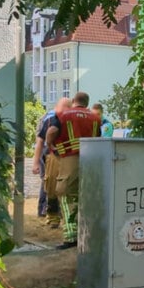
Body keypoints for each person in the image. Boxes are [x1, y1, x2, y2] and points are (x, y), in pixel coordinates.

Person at [46, 91, 101, 249]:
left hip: (70, 159)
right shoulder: (96, 118)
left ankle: (70, 237)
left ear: (73, 101)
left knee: (65, 194)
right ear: (87, 103)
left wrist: (50, 145)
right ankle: (86, 234)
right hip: (91, 161)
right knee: (85, 196)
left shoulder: (64, 115)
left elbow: (52, 131)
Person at [32, 97, 71, 226]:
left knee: (50, 185)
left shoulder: (52, 118)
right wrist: (36, 162)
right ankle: (47, 212)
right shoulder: (51, 120)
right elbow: (41, 141)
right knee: (50, 185)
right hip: (52, 157)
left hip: (54, 156)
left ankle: (51, 215)